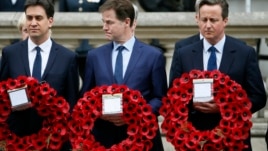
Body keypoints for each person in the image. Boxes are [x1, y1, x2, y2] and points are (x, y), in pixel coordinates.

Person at [169, 0, 267, 151]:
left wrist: (226, 108)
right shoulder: (184, 53)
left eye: (213, 20)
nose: (208, 25)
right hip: (195, 140)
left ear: (225, 20)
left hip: (233, 139)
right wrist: (192, 104)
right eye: (204, 20)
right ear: (197, 19)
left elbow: (258, 97)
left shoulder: (244, 53)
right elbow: (172, 96)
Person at [80, 0, 167, 150]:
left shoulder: (153, 56)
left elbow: (160, 98)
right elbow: (85, 96)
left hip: (142, 138)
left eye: (109, 22)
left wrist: (135, 114)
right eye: (103, 22)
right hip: (104, 138)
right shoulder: (95, 56)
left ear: (126, 22)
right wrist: (98, 112)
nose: (104, 27)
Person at [0, 0, 79, 150]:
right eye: (29, 18)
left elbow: (71, 103)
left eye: (38, 18)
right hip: (17, 139)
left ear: (50, 21)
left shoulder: (67, 57)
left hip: (53, 142)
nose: (33, 23)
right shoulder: (10, 54)